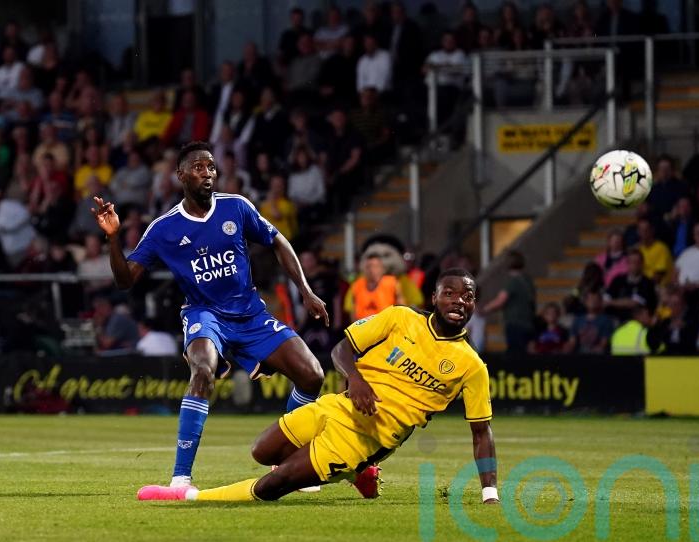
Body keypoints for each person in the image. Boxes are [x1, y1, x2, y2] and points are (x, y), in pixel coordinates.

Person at [137, 268, 498, 506]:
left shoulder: (471, 365)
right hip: (338, 406)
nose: (458, 301)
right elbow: (342, 349)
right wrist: (355, 379)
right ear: (434, 297)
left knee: (273, 485)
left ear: (474, 305)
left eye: (466, 297)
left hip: (368, 437)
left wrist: (490, 493)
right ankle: (360, 474)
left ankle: (189, 497)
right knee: (262, 452)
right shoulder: (401, 317)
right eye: (450, 293)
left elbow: (481, 432)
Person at [91, 141, 328, 488]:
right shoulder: (164, 228)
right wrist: (113, 238)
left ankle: (288, 460)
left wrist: (305, 290)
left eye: (212, 167)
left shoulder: (237, 207)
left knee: (312, 375)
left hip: (250, 314)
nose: (208, 173)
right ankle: (181, 478)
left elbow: (278, 241)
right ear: (181, 175)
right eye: (199, 167)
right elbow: (125, 280)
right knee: (202, 370)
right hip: (205, 315)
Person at [479, 250, 535, 354]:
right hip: (527, 323)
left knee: (515, 355)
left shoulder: (513, 282)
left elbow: (500, 301)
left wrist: (484, 310)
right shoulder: (527, 280)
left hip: (515, 324)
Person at [344, 254, 404, 321]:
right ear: (364, 269)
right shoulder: (357, 285)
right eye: (369, 267)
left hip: (385, 324)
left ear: (383, 269)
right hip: (364, 325)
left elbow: (402, 307)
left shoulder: (392, 283)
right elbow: (352, 310)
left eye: (376, 266)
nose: (372, 270)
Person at [605, 249, 657, 322]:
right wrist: (611, 302)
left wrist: (611, 302)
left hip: (636, 321)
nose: (634, 265)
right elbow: (606, 300)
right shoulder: (618, 280)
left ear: (642, 264)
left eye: (637, 262)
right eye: (631, 262)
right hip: (614, 319)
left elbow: (633, 303)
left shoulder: (647, 283)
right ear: (627, 263)